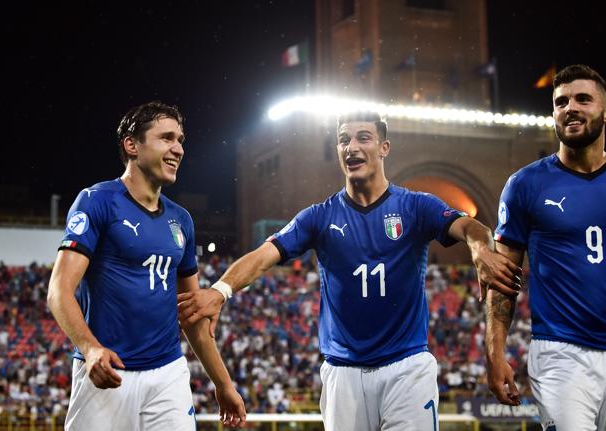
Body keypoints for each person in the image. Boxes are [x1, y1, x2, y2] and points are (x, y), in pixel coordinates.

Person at [179, 111, 520, 430]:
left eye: (363, 138)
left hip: (407, 369)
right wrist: (220, 290)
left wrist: (478, 248)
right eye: (343, 140)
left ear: (384, 147)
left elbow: (472, 227)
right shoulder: (318, 217)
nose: (352, 147)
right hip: (343, 375)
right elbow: (263, 255)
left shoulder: (416, 206)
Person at [47, 101, 246, 430]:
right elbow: (59, 291)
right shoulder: (97, 201)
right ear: (132, 145)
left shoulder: (181, 220)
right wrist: (91, 348)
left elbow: (192, 313)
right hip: (107, 374)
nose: (178, 149)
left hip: (168, 374)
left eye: (180, 140)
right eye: (166, 138)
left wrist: (223, 384)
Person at [486, 64, 606, 430]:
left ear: (604, 110)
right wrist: (495, 349)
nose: (570, 107)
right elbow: (502, 275)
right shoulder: (525, 185)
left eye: (583, 99)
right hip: (561, 352)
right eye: (561, 102)